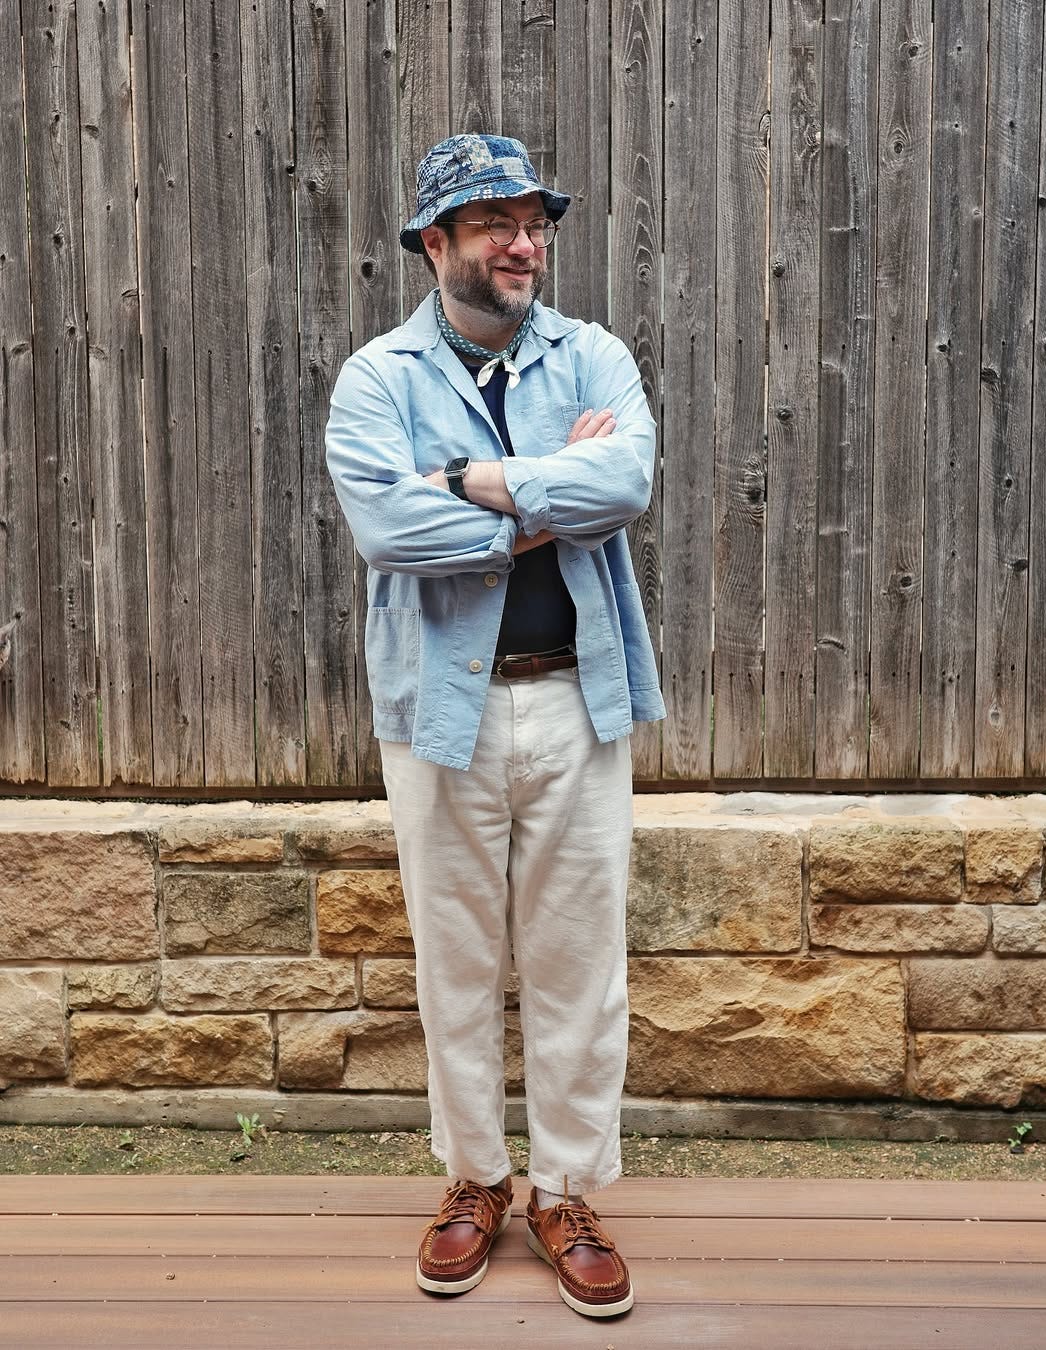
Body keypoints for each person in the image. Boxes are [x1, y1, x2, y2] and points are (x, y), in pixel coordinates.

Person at [325, 133, 664, 1319]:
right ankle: (475, 1179)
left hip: (581, 695)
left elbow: (625, 487)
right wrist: (538, 496)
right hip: (440, 711)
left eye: (535, 224)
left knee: (580, 962)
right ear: (437, 243)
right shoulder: (377, 379)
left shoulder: (596, 355)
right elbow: (387, 534)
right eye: (494, 225)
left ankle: (566, 1193)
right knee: (455, 961)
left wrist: (470, 478)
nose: (525, 245)